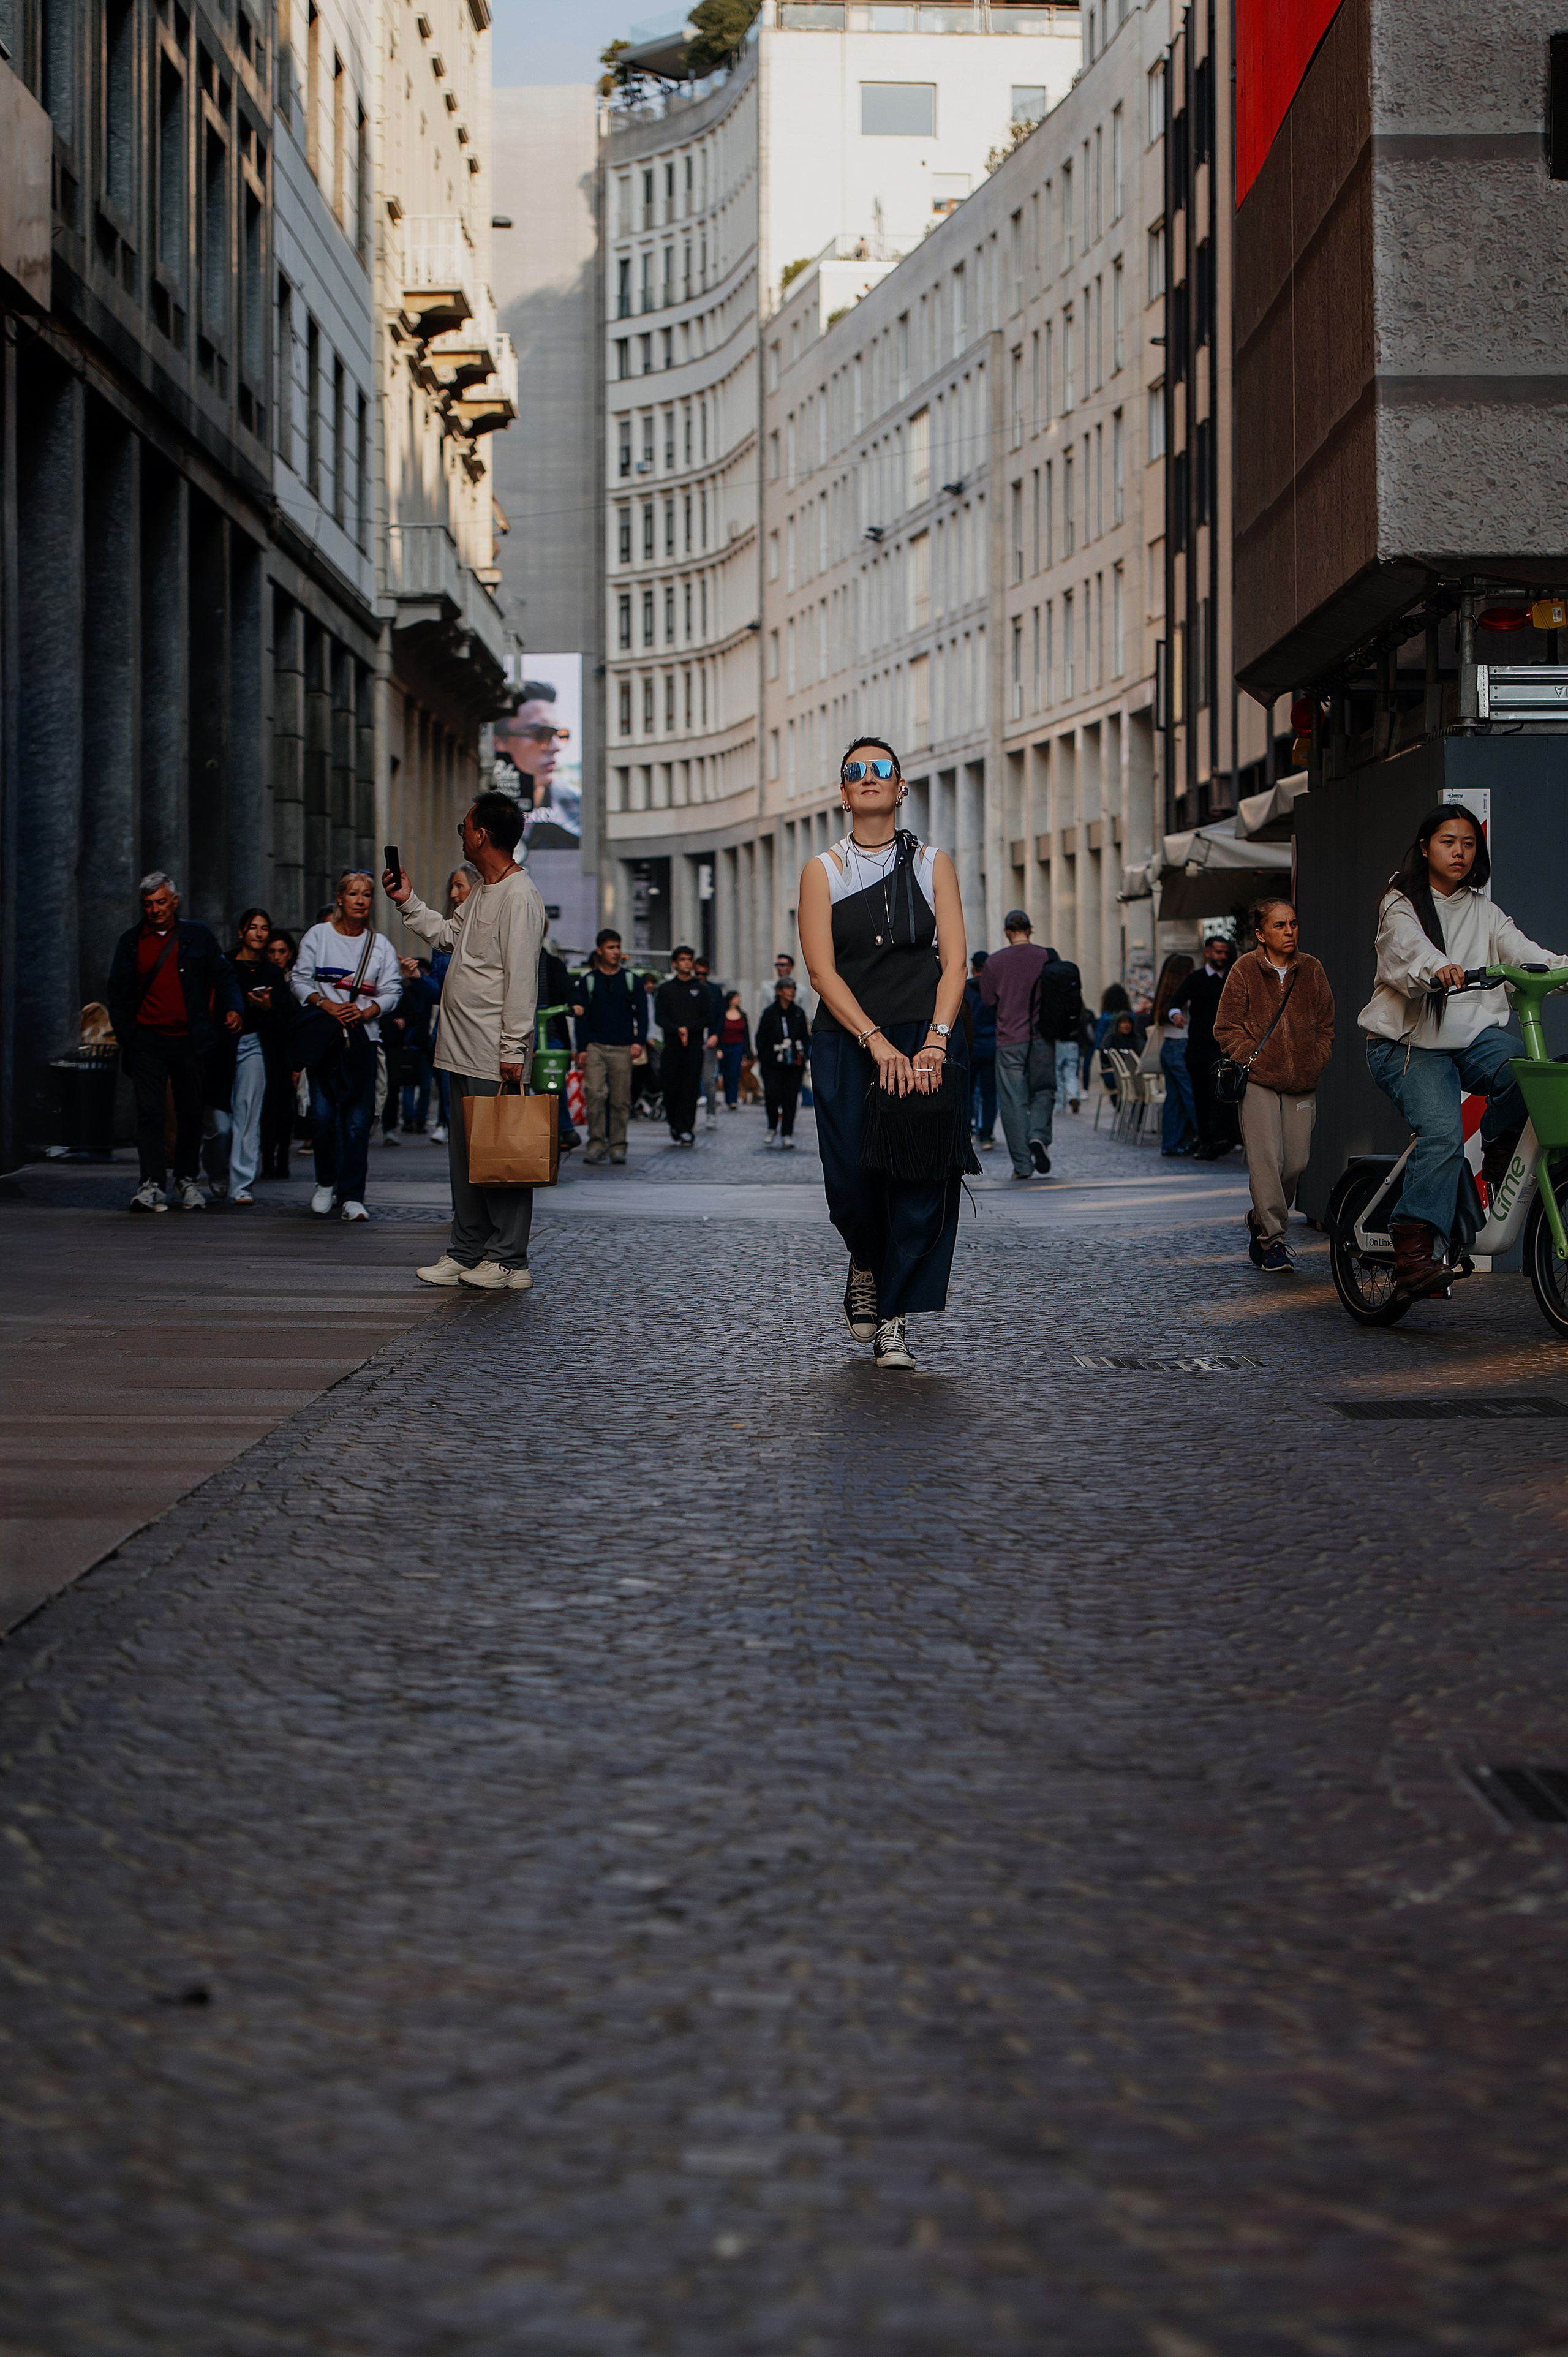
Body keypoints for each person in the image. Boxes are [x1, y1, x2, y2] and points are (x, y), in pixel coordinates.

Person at [799, 735, 970, 1372]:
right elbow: (821, 971)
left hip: (924, 1040)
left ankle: (892, 1319)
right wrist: (873, 1040)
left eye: (880, 769)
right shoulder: (824, 869)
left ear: (900, 788)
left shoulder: (932, 863)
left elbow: (954, 963)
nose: (867, 777)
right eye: (854, 771)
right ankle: (865, 1260)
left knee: (917, 1183)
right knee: (849, 1183)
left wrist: (934, 1038)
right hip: (847, 1042)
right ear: (843, 794)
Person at [1361, 802, 1565, 1299]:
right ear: (1426, 847)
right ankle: (1411, 1252)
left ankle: (1498, 1146)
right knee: (1444, 1133)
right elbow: (1410, 950)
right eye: (1449, 842)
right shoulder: (1400, 905)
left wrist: (1562, 966)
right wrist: (1441, 969)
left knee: (1535, 1075)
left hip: (1471, 1040)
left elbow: (1527, 954)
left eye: (1469, 844)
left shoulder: (1484, 910)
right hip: (1407, 1046)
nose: (1459, 852)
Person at [385, 792, 548, 1288]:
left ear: (481, 835)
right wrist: (408, 902)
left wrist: (514, 1049)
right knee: (468, 1157)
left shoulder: (520, 895)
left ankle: (508, 1259)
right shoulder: (482, 888)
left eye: (465, 826)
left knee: (505, 1152)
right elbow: (450, 937)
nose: (462, 832)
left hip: (492, 1051)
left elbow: (522, 980)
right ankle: (469, 1247)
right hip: (460, 1045)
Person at [107, 873, 243, 1213]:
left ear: (175, 901)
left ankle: (186, 1179)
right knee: (150, 1111)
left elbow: (223, 975)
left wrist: (234, 1008)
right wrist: (129, 1036)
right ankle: (151, 1183)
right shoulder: (132, 941)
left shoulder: (197, 937)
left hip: (190, 1039)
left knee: (191, 1112)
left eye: (161, 902)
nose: (155, 910)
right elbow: (118, 992)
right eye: (149, 904)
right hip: (147, 1039)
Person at [1213, 899, 1336, 1275]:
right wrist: (1252, 1057)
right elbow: (1225, 1027)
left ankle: (1259, 1219)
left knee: (1295, 1163)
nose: (1289, 932)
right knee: (1267, 1162)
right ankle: (1272, 1241)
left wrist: (1315, 1059)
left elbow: (1326, 1025)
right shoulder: (1244, 970)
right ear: (1261, 934)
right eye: (1280, 926)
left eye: (1293, 924)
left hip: (1301, 1082)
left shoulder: (1312, 969)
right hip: (1259, 1081)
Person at [291, 872, 402, 1221]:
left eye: (366, 894)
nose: (360, 900)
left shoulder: (379, 945)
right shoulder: (319, 936)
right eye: (353, 893)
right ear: (340, 898)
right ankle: (326, 1182)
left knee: (357, 1122)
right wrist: (326, 1005)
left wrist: (368, 1010)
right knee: (323, 1117)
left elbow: (392, 991)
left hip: (363, 1042)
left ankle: (353, 1194)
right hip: (326, 1041)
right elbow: (299, 978)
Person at [979, 910, 1057, 1179]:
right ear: (1030, 930)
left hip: (1010, 1039)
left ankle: (1023, 1166)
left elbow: (989, 1001)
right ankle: (1038, 1136)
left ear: (1008, 932)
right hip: (1042, 1038)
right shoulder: (1047, 956)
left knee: (1012, 1100)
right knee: (1044, 1091)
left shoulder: (994, 962)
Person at [224, 907, 291, 1205]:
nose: (259, 933)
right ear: (241, 932)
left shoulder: (272, 974)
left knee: (248, 1114)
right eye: (253, 927)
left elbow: (286, 1017)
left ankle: (241, 1184)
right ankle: (216, 1171)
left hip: (254, 1045)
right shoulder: (224, 965)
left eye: (264, 927)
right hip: (221, 1047)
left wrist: (267, 1008)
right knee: (218, 1124)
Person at [571, 926, 648, 1164]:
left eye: (618, 947)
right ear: (600, 950)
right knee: (594, 1094)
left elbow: (643, 1014)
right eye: (611, 948)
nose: (616, 952)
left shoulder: (631, 980)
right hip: (595, 1046)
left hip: (623, 1047)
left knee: (620, 1099)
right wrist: (582, 1048)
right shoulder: (589, 981)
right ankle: (596, 1143)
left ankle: (618, 1145)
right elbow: (581, 1017)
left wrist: (639, 1042)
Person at [1174, 935, 1238, 1158]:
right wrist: (1176, 1015)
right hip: (1199, 1050)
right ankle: (1207, 1141)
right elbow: (1174, 1002)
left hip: (1225, 1049)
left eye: (1225, 953)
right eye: (1218, 952)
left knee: (1224, 1095)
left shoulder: (1233, 979)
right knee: (1201, 1096)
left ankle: (1224, 1138)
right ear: (1208, 952)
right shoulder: (1195, 979)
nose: (1222, 957)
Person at [429, 863, 480, 1144]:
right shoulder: (445, 935)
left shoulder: (489, 927)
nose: (453, 893)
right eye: (453, 886)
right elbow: (437, 991)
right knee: (452, 1092)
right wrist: (416, 978)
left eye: (460, 885)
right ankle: (445, 1124)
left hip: (480, 1031)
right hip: (448, 1030)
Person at [1142, 952, 1197, 1156]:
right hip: (1182, 1046)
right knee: (1191, 1095)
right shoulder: (1185, 995)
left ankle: (1171, 1143)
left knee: (1174, 1098)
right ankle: (1204, 1137)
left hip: (1169, 1047)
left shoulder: (1164, 995)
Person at [655, 947, 712, 1145]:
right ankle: (674, 1123)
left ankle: (687, 1127)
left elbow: (707, 1016)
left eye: (690, 959)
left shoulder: (701, 989)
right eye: (683, 959)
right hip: (672, 1046)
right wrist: (676, 1029)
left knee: (690, 1088)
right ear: (675, 963)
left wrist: (690, 1029)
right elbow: (659, 1016)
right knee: (670, 1087)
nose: (687, 963)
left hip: (694, 1045)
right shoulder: (665, 989)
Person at [260, 930, 300, 1179]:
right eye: (272, 951)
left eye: (282, 951)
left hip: (291, 1052)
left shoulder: (297, 980)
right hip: (267, 1050)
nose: (277, 957)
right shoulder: (263, 978)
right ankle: (267, 1159)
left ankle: (283, 1158)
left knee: (286, 1111)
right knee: (268, 1110)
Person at [755, 975, 809, 1147]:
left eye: (793, 988)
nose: (791, 992)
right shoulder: (770, 1013)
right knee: (772, 1095)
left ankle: (787, 1133)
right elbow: (761, 1037)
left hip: (793, 1063)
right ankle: (772, 1126)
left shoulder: (799, 1013)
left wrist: (805, 1055)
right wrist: (765, 1057)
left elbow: (805, 1037)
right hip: (773, 1063)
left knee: (791, 1098)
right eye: (787, 988)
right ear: (779, 991)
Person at [388, 955, 437, 1134]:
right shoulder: (409, 992)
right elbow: (412, 1018)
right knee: (410, 1083)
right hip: (414, 1044)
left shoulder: (430, 992)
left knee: (422, 1085)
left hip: (426, 1045)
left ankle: (419, 1119)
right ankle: (410, 1119)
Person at [965, 950, 997, 1150]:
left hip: (970, 1046)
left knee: (967, 1091)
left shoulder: (965, 989)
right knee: (990, 1093)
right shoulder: (994, 990)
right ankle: (986, 1135)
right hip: (992, 1046)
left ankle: (968, 1130)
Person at [692, 954, 724, 1128]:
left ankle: (711, 1113)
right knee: (690, 1079)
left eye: (703, 974)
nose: (700, 978)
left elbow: (720, 1016)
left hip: (709, 1039)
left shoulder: (714, 991)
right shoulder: (690, 989)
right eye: (697, 974)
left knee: (709, 1079)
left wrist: (716, 1035)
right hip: (692, 1039)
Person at [718, 991, 752, 1107]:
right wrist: (718, 1048)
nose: (739, 1000)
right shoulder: (722, 1014)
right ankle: (728, 1097)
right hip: (724, 1045)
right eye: (737, 998)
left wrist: (747, 1053)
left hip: (738, 1046)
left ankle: (733, 1099)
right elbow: (718, 1031)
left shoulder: (742, 1015)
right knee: (725, 1073)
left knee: (734, 1072)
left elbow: (746, 1034)